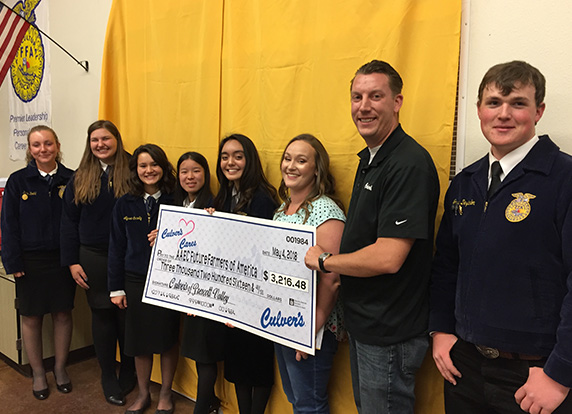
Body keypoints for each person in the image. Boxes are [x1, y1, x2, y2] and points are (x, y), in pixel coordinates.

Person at [430, 61, 572, 413]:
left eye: (518, 103)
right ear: (479, 110)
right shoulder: (465, 183)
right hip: (465, 366)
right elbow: (447, 266)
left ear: (538, 111)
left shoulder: (564, 179)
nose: (504, 114)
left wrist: (560, 373)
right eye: (494, 102)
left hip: (535, 374)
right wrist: (440, 330)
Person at [305, 60, 440, 414]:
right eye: (356, 97)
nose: (363, 106)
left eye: (375, 96)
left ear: (397, 102)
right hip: (367, 324)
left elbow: (387, 257)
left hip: (390, 331)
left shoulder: (408, 163)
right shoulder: (372, 158)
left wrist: (324, 261)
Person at [60, 120, 136, 406]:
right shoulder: (81, 176)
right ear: (89, 144)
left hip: (130, 256)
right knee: (103, 316)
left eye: (106, 138)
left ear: (117, 139)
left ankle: (128, 369)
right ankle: (108, 374)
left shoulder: (134, 170)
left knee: (127, 317)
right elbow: (68, 222)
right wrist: (71, 262)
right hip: (92, 256)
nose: (101, 144)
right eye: (95, 140)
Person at [273, 134, 346, 414]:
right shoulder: (283, 209)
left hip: (312, 325)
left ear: (316, 169)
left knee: (310, 404)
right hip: (283, 319)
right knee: (296, 397)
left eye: (301, 160)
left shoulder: (326, 211)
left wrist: (309, 329)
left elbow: (332, 278)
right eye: (288, 158)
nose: (291, 166)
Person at [1, 125, 75, 400]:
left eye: (48, 143)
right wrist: (12, 259)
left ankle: (59, 368)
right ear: (29, 150)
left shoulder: (72, 178)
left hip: (63, 259)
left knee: (63, 314)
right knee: (31, 317)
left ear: (57, 145)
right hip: (29, 261)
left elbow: (79, 222)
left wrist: (74, 258)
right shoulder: (18, 181)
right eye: (36, 145)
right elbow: (8, 224)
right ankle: (38, 373)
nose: (43, 149)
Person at [108, 143, 180, 414]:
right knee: (138, 341)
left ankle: (165, 393)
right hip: (135, 279)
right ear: (135, 170)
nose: (149, 170)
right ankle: (143, 393)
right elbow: (116, 248)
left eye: (154, 164)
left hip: (169, 281)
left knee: (167, 338)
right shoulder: (124, 203)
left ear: (163, 167)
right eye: (143, 165)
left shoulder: (177, 200)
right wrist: (116, 287)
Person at [213, 134, 279, 414]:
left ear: (249, 160)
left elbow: (264, 250)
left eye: (238, 156)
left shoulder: (263, 198)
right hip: (232, 297)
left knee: (258, 360)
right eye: (225, 156)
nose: (230, 162)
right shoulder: (224, 194)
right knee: (238, 361)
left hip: (256, 297)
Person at [175, 152, 224, 414]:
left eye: (196, 171)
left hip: (208, 294)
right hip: (184, 292)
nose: (190, 176)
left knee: (205, 354)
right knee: (196, 351)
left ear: (206, 174)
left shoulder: (215, 206)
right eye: (184, 171)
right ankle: (211, 402)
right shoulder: (176, 206)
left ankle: (202, 409)